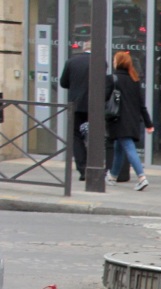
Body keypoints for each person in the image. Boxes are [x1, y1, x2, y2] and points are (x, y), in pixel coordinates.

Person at [58, 39, 111, 181]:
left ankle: (82, 169)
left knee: (76, 136)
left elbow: (63, 83)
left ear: (84, 48)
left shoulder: (71, 62)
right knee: (94, 135)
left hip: (75, 104)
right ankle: (94, 167)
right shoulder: (101, 62)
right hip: (94, 105)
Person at [105, 51, 152, 190]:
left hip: (118, 119)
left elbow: (104, 97)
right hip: (132, 120)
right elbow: (141, 104)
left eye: (114, 60)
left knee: (128, 147)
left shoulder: (112, 78)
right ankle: (113, 176)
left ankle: (142, 177)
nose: (113, 62)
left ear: (118, 62)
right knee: (119, 148)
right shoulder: (134, 79)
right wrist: (148, 123)